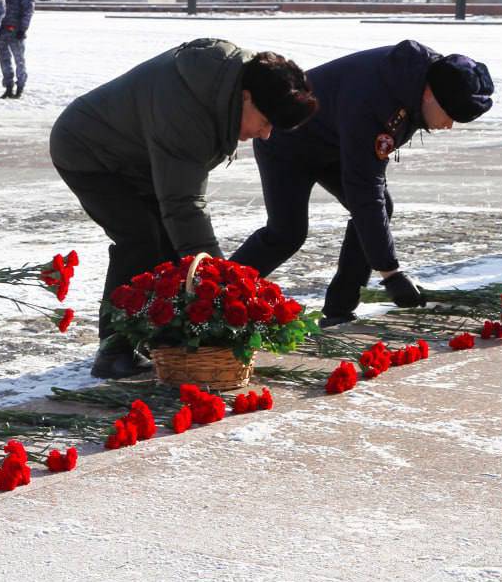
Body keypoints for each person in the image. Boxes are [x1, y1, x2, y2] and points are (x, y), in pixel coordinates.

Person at [50, 39, 318, 378]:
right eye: (264, 122)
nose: (265, 135)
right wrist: (220, 280)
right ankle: (114, 348)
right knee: (141, 239)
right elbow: (183, 205)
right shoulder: (190, 106)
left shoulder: (241, 81)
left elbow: (181, 203)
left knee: (169, 244)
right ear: (246, 97)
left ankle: (157, 338)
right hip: (87, 150)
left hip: (138, 158)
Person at [231, 41, 495, 326]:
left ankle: (340, 308)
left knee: (379, 209)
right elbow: (364, 188)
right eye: (450, 115)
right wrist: (391, 273)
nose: (448, 126)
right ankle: (216, 292)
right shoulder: (378, 98)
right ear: (430, 94)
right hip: (286, 141)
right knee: (287, 233)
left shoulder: (425, 80)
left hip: (334, 144)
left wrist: (388, 268)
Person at [0, 0, 35, 99]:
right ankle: (8, 86)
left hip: (16, 29)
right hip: (2, 29)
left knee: (19, 60)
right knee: (4, 60)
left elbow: (28, 8)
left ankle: (20, 86)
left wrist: (23, 28)